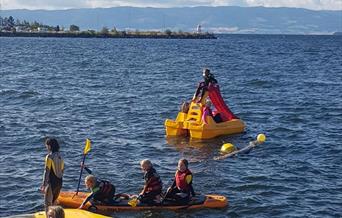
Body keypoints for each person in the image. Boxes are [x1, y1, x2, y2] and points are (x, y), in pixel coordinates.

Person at [40, 138, 64, 215]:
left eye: (46, 146)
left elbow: (46, 171)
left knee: (48, 204)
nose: (46, 148)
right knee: (54, 203)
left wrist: (44, 184)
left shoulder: (49, 157)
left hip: (51, 182)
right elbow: (62, 170)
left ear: (50, 146)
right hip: (59, 182)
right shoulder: (61, 156)